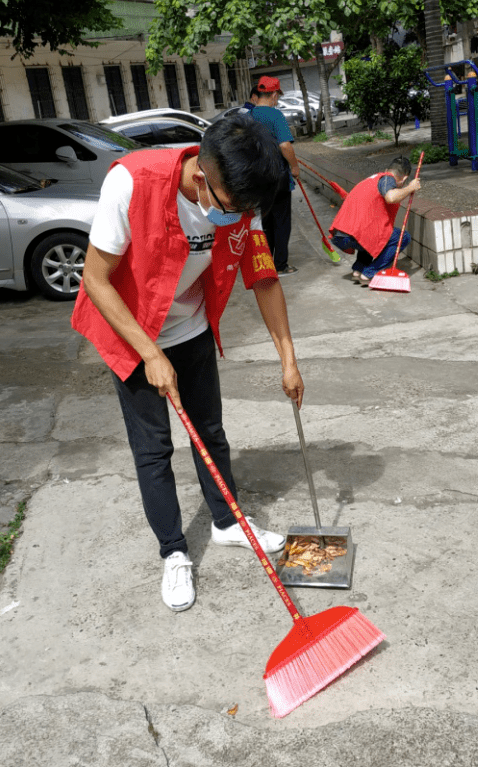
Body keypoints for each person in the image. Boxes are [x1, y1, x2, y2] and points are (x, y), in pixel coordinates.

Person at [71, 117, 305, 613]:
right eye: (233, 207)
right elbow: (95, 280)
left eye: (248, 210)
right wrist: (150, 354)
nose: (240, 217)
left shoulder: (240, 201)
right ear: (202, 178)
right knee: (154, 448)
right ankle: (174, 552)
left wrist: (288, 358)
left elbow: (263, 278)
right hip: (131, 330)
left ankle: (226, 523)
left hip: (191, 327)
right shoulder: (131, 182)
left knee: (210, 431)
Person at [328, 157, 422, 285]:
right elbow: (391, 197)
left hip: (340, 233)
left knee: (373, 235)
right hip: (354, 234)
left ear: (387, 169)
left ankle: (358, 270)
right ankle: (369, 273)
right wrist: (410, 188)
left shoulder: (372, 179)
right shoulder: (388, 179)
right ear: (404, 178)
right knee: (403, 237)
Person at [241, 75, 300, 275]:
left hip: (258, 180)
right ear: (274, 95)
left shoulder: (247, 117)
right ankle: (281, 265)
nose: (277, 100)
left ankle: (266, 264)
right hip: (279, 178)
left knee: (265, 223)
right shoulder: (275, 116)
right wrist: (294, 167)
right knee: (282, 222)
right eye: (277, 96)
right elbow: (285, 145)